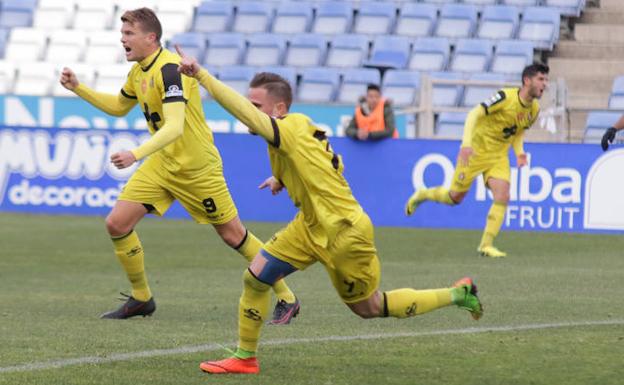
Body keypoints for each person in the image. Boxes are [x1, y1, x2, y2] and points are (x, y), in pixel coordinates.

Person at [174, 46, 483, 375]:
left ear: (278, 108)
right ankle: (245, 357)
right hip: (308, 227)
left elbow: (253, 120)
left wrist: (202, 75)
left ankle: (457, 294)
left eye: (257, 106)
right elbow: (331, 163)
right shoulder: (297, 127)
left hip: (344, 233)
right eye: (252, 104)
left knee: (369, 307)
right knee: (255, 278)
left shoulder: (288, 128)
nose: (252, 112)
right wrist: (280, 177)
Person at [59, 8, 299, 324]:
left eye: (129, 34)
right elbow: (119, 107)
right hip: (162, 164)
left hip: (196, 167)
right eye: (122, 34)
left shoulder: (171, 71)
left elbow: (174, 127)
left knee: (232, 235)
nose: (123, 39)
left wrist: (136, 154)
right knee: (117, 223)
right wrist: (79, 88)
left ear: (151, 38)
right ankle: (142, 297)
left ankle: (286, 296)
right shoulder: (138, 72)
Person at [405, 64, 549, 258]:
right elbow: (474, 113)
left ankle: (486, 245)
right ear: (527, 80)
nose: (544, 84)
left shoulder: (534, 109)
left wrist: (519, 152)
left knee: (503, 195)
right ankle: (422, 194)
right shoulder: (505, 97)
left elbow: (518, 131)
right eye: (541, 79)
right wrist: (466, 145)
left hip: (498, 156)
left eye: (546, 80)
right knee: (454, 197)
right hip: (475, 152)